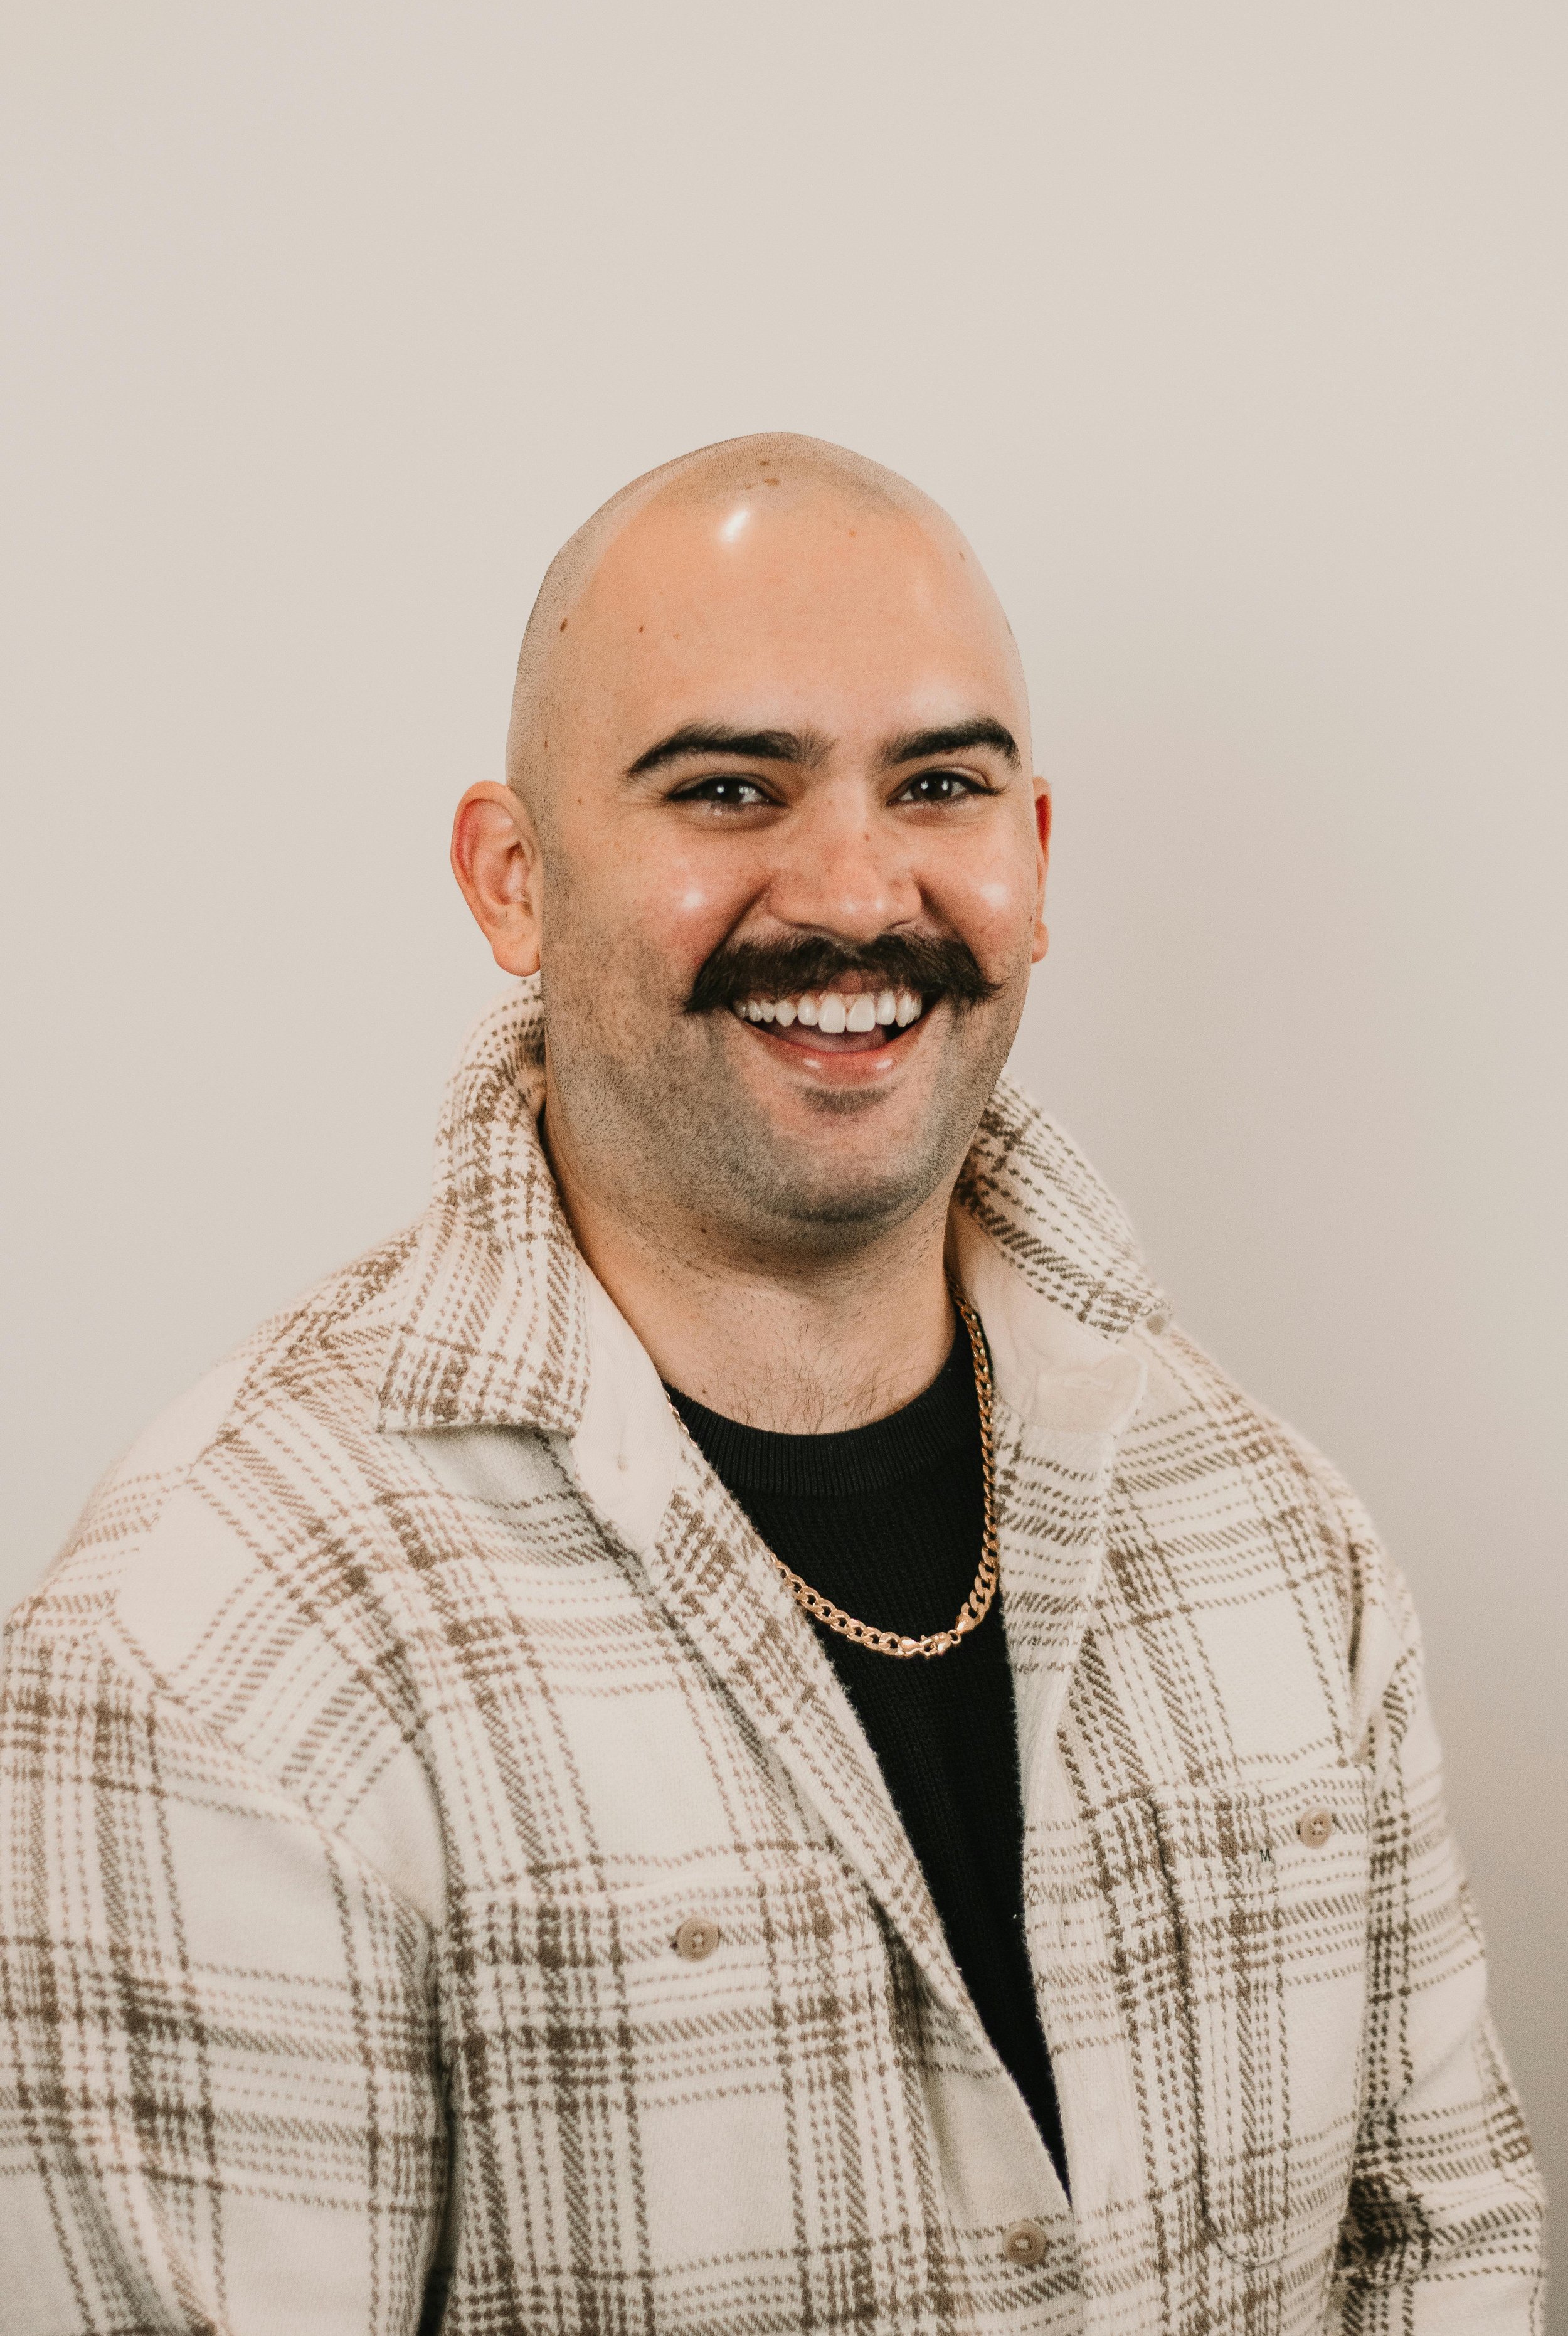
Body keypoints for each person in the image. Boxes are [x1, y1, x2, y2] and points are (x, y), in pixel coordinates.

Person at [0, 434, 1543, 2336]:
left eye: (939, 784)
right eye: (728, 788)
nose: (853, 888)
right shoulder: (205, 1656)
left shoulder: (1274, 1530)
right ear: (513, 880)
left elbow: (1447, 2245)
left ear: (1032, 861)